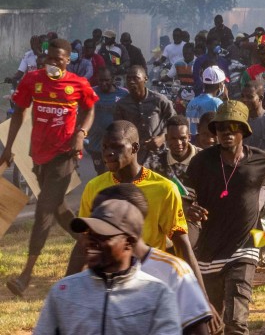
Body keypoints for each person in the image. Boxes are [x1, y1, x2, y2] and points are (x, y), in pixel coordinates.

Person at [185, 101, 265, 335]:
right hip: (208, 252)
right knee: (212, 325)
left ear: (243, 130)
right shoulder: (200, 163)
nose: (226, 133)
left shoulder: (262, 160)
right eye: (221, 128)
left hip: (244, 248)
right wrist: (188, 210)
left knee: (235, 322)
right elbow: (186, 199)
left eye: (233, 127)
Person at [2, 38, 97, 296]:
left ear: (68, 60)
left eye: (59, 59)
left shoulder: (78, 84)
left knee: (43, 209)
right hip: (39, 156)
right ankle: (94, 246)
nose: (53, 63)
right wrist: (9, 148)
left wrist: (81, 133)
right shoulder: (32, 80)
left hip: (64, 156)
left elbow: (90, 109)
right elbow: (19, 112)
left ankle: (26, 275)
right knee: (58, 209)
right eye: (49, 58)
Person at [73, 121, 202, 284]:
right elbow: (84, 241)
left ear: (135, 148)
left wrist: (202, 296)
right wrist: (67, 287)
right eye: (105, 147)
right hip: (107, 281)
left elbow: (181, 243)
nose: (108, 153)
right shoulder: (94, 187)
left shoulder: (163, 189)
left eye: (116, 147)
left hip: (150, 281)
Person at [35, 200, 181, 335]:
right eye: (88, 234)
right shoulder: (63, 292)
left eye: (102, 235)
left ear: (128, 242)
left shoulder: (157, 295)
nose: (90, 241)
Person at [92, 184, 215, 335]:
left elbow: (196, 330)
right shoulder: (90, 275)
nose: (92, 231)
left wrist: (205, 299)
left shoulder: (171, 270)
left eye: (103, 220)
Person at [115, 65, 175, 169]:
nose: (131, 82)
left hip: (159, 155)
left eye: (136, 78)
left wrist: (162, 138)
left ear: (145, 79)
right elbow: (118, 131)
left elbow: (174, 122)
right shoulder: (121, 105)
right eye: (129, 78)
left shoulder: (159, 100)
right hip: (135, 158)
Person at [87, 66, 128, 175]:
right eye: (101, 80)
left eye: (107, 80)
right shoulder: (91, 92)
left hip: (116, 141)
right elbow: (83, 112)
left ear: (113, 79)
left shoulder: (124, 94)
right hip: (96, 142)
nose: (104, 83)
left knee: (113, 170)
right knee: (100, 171)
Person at [155, 114, 201, 194]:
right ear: (166, 138)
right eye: (173, 138)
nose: (178, 143)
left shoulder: (203, 158)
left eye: (182, 138)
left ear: (189, 137)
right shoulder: (156, 161)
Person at [186, 66, 226, 137]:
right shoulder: (216, 102)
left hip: (193, 142)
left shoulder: (192, 101)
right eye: (223, 83)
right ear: (220, 85)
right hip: (207, 142)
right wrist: (226, 100)